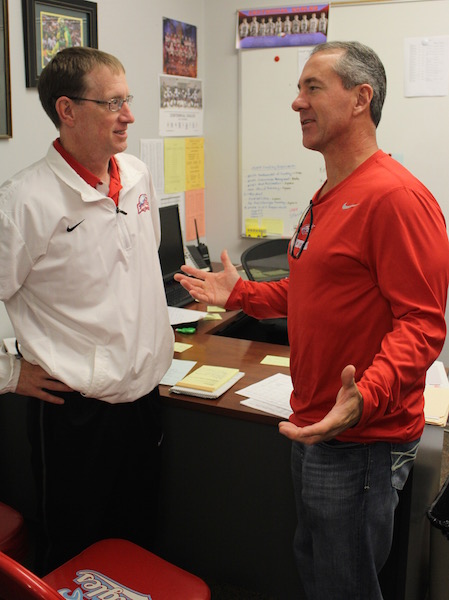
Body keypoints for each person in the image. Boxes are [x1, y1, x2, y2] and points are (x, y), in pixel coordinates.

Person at [175, 41, 449, 599]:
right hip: (316, 425)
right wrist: (242, 294)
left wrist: (365, 396)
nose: (296, 102)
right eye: (298, 88)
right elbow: (311, 290)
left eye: (313, 87)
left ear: (360, 99)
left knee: (343, 585)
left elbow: (423, 324)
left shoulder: (395, 196)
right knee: (318, 569)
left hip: (359, 438)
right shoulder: (329, 192)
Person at [0, 47, 174, 572]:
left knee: (140, 542)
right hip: (74, 413)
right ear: (67, 110)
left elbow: (140, 274)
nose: (130, 115)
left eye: (128, 99)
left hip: (144, 400)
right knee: (78, 554)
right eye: (113, 102)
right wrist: (8, 372)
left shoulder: (138, 176)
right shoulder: (24, 201)